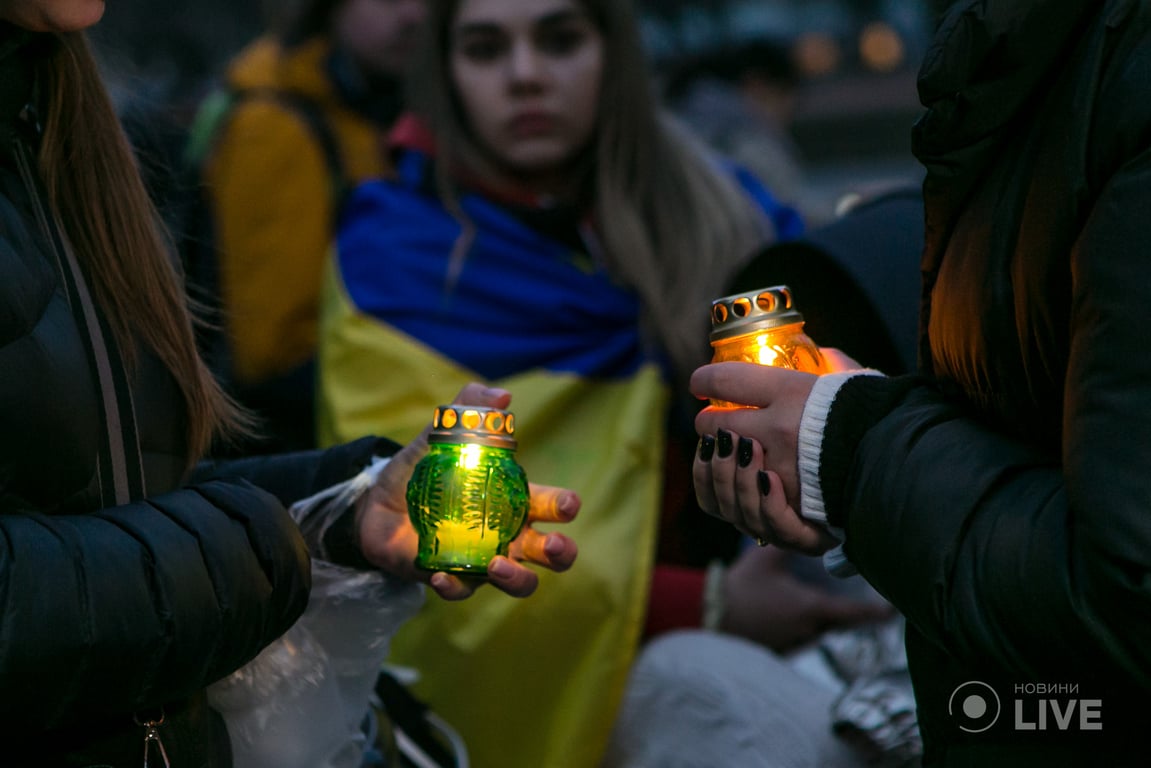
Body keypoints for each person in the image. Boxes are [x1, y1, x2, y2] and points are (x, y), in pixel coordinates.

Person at [0, 4, 579, 766]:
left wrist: (335, 508)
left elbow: (96, 493)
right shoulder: (276, 127)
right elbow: (268, 352)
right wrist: (261, 545)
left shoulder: (44, 105)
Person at [315, 1, 886, 765]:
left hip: (805, 619)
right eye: (486, 49)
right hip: (570, 697)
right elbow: (427, 555)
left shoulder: (730, 210)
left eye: (559, 39)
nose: (525, 77)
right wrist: (712, 608)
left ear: (613, 54)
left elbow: (838, 408)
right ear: (444, 74)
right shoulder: (389, 259)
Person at [691, 0, 1151, 765]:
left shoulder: (1108, 68)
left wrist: (847, 443)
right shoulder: (1033, 54)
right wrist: (855, 457)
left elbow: (1124, 583)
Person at [187, 0, 427, 453]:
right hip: (294, 457)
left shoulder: (367, 106)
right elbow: (270, 357)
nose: (413, 15)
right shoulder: (276, 125)